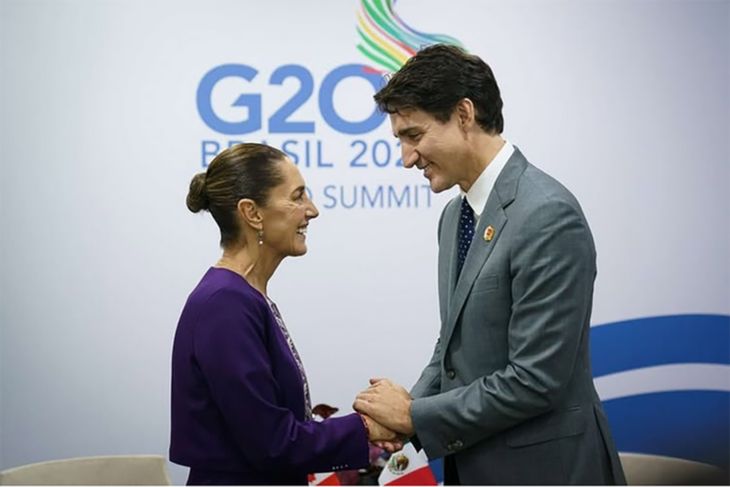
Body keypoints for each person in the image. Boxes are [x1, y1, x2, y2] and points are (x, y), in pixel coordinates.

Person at [353, 44, 627, 485]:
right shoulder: (453, 217)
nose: (406, 159)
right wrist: (405, 418)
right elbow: (453, 348)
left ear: (464, 115)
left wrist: (413, 414)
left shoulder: (547, 215)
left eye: (414, 136)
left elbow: (536, 380)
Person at [170, 143, 398, 485]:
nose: (313, 210)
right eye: (298, 196)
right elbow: (271, 442)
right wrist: (364, 427)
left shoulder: (243, 296)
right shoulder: (224, 304)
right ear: (253, 213)